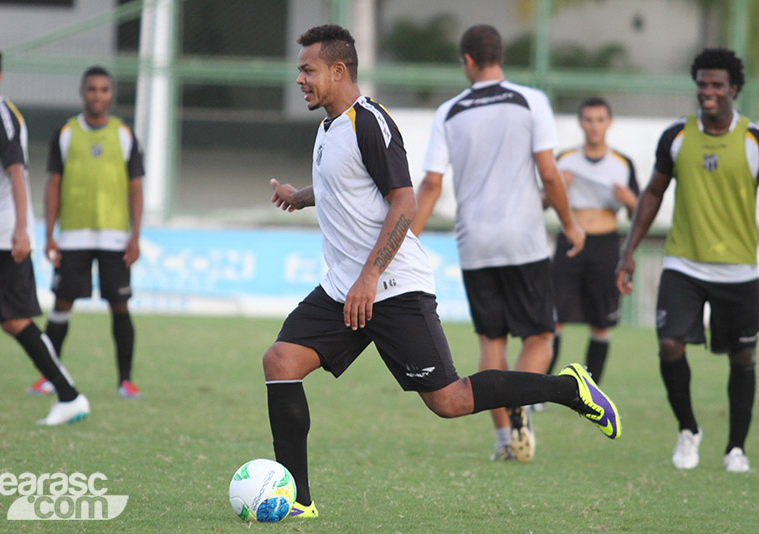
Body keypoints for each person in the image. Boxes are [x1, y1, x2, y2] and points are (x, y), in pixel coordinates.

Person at [265, 24, 619, 519]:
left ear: (338, 70)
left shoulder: (371, 122)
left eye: (308, 70)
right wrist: (300, 197)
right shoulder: (327, 129)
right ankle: (297, 501)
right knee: (280, 361)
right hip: (344, 287)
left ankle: (569, 389)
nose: (300, 79)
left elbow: (404, 201)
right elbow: (341, 184)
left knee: (449, 401)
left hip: (392, 286)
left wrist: (370, 276)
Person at [411, 24, 585, 463]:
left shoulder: (449, 112)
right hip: (523, 239)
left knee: (492, 338)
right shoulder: (531, 101)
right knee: (540, 335)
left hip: (474, 242)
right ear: (499, 56)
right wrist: (570, 223)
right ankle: (521, 404)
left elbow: (431, 184)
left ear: (468, 60)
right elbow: (549, 173)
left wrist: (405, 241)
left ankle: (505, 439)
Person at [617, 48, 757, 474]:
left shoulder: (753, 140)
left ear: (734, 89)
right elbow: (653, 193)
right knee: (669, 344)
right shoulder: (676, 137)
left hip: (741, 269)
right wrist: (629, 251)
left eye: (717, 85)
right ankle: (688, 430)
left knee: (742, 357)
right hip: (684, 264)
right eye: (701, 84)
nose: (707, 91)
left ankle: (736, 448)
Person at [0, 44, 89, 425]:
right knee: (14, 320)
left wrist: (21, 229)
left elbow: (17, 171)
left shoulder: (1, 117)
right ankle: (69, 396)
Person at [26, 66, 144, 399]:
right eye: (92, 89)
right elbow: (53, 184)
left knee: (119, 305)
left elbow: (136, 187)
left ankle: (125, 381)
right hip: (72, 236)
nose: (97, 95)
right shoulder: (65, 133)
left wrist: (135, 236)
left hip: (115, 237)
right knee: (61, 304)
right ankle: (48, 377)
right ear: (82, 92)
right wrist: (49, 233)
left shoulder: (124, 134)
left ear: (111, 94)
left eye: (104, 89)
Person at [545, 97, 639, 383]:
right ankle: (541, 391)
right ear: (580, 123)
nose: (594, 126)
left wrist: (630, 200)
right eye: (588, 120)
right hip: (570, 243)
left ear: (609, 122)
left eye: (600, 120)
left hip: (605, 245)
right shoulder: (565, 159)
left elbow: (639, 212)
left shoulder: (622, 163)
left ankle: (591, 392)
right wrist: (558, 189)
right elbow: (543, 201)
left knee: (601, 322)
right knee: (553, 319)